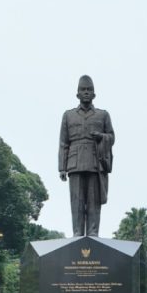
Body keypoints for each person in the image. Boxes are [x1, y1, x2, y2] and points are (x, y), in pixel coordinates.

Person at [58, 74, 114, 237]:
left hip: (95, 162)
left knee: (94, 201)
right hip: (74, 163)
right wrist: (62, 167)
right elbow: (63, 143)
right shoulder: (68, 115)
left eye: (89, 89)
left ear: (94, 94)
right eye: (83, 89)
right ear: (77, 94)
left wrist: (101, 136)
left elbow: (112, 137)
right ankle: (77, 233)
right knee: (76, 201)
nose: (86, 92)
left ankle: (93, 233)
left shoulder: (103, 115)